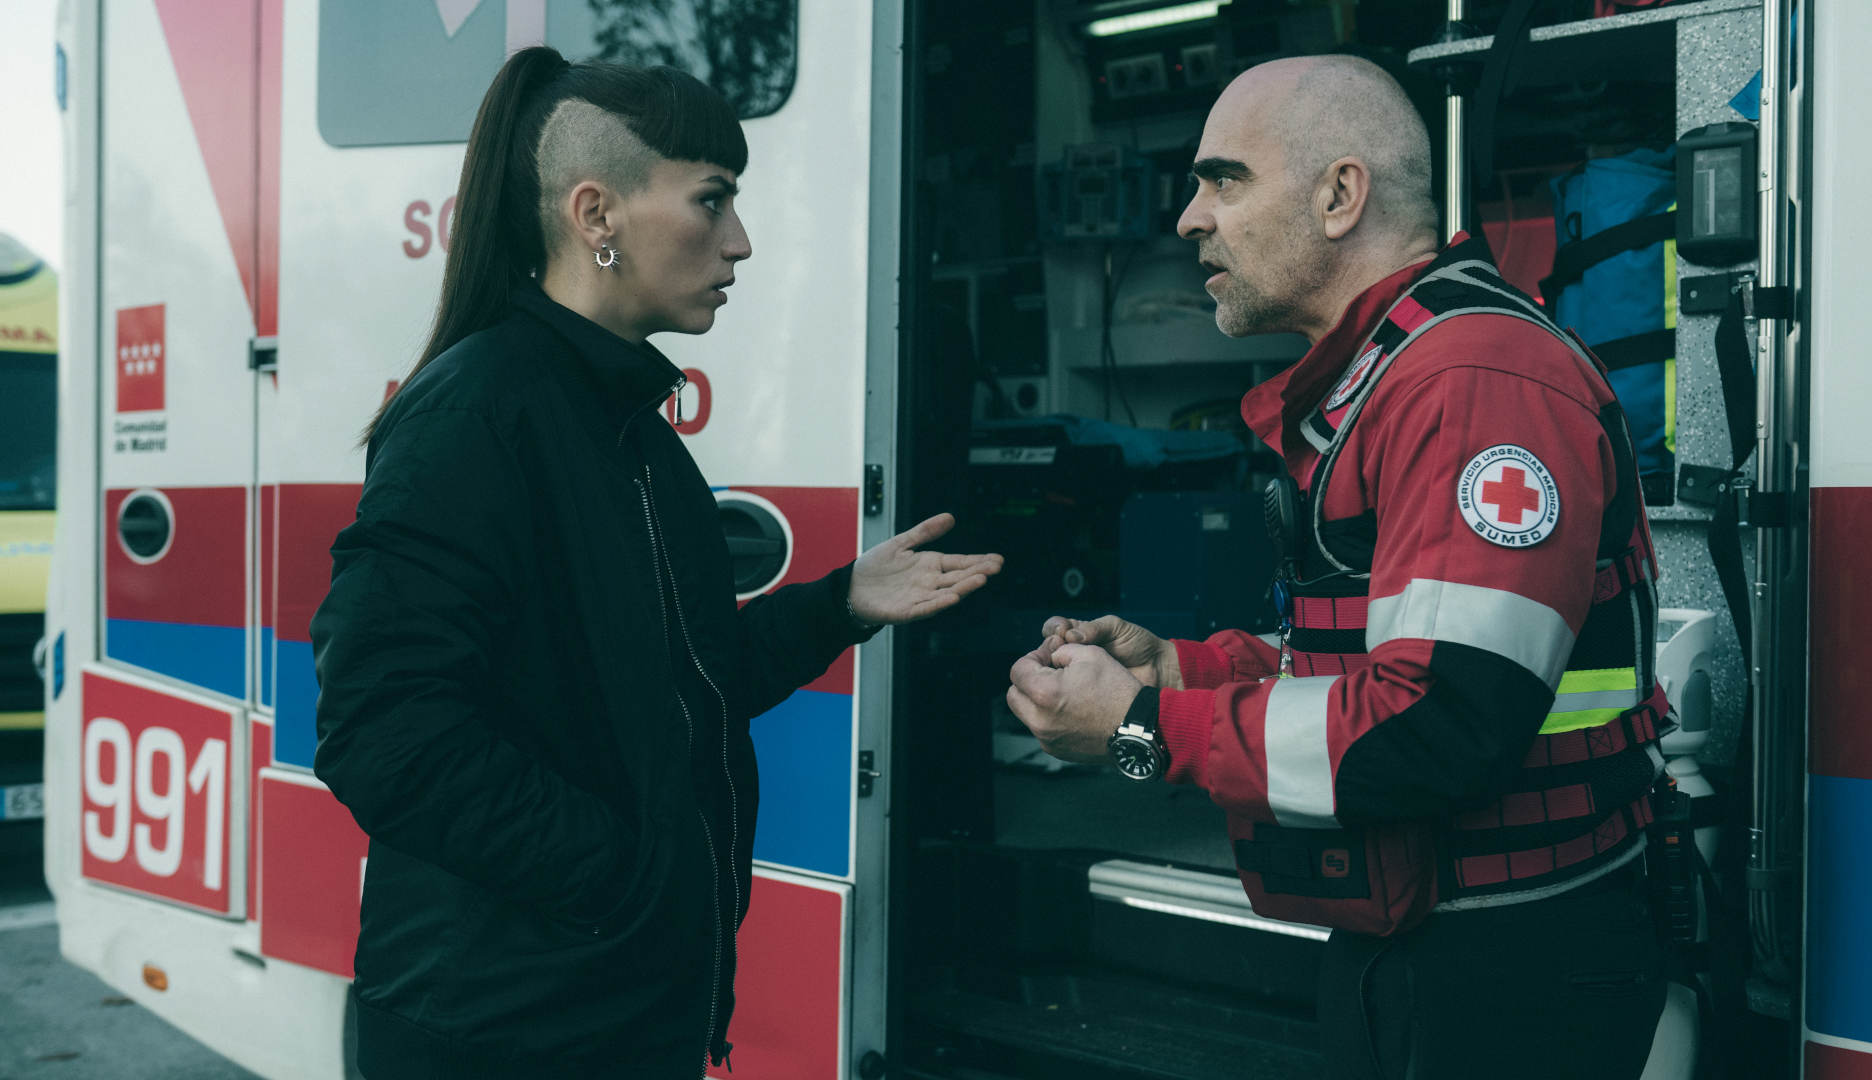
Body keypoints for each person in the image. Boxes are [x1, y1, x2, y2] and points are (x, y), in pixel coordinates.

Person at [310, 48, 1002, 1079]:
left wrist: (840, 604)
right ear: (597, 215)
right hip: (504, 1028)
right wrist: (624, 880)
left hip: (614, 1010)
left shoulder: (631, 429)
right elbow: (382, 731)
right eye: (712, 200)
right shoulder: (476, 413)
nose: (740, 241)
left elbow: (682, 677)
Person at [1006, 55, 1669, 1079]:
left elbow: (1436, 725)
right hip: (1424, 943)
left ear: (1340, 195)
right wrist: (1177, 670)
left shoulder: (1473, 380)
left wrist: (1137, 731)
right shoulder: (1397, 376)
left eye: (1223, 180)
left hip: (1508, 969)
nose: (1189, 219)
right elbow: (1374, 658)